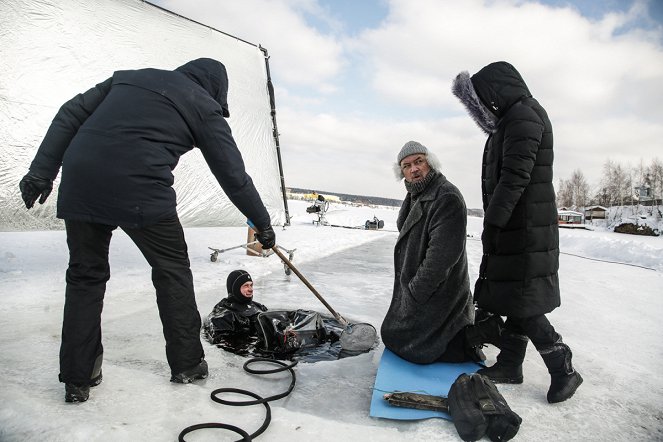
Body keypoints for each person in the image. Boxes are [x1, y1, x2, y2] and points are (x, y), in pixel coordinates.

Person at [18, 58, 277, 403]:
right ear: (216, 90)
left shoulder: (127, 79)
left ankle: (79, 377)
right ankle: (187, 364)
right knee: (172, 270)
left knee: (85, 277)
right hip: (141, 190)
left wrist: (41, 172)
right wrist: (262, 222)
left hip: (80, 182)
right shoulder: (202, 105)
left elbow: (69, 113)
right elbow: (233, 175)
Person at [452, 61, 583, 403]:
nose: (482, 108)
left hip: (524, 228)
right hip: (519, 225)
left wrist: (493, 222)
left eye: (482, 100)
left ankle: (562, 366)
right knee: (513, 297)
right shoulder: (513, 118)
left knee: (524, 302)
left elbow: (514, 178)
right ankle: (510, 363)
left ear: (494, 93)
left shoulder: (524, 117)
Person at [381, 141, 503, 365]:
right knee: (394, 337)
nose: (414, 169)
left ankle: (477, 333)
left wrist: (415, 292)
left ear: (430, 162)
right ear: (402, 172)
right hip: (420, 290)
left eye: (419, 161)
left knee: (415, 347)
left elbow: (441, 258)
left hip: (439, 292)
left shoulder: (446, 197)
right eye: (407, 165)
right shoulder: (416, 195)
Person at [203, 270, 268, 343]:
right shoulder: (223, 316)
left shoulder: (258, 306)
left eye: (251, 285)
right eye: (246, 286)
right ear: (236, 289)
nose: (251, 289)